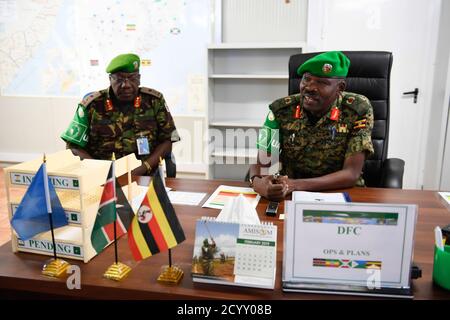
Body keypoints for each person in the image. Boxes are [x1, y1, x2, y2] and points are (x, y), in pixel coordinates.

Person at [249, 51, 374, 201]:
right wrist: (258, 183)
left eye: (322, 82)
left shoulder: (357, 109)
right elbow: (263, 160)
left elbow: (351, 174)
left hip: (341, 193)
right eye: (306, 79)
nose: (309, 87)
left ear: (340, 87)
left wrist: (295, 185)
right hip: (291, 196)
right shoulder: (281, 110)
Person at [61, 53, 180, 175]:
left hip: (144, 175)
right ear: (110, 79)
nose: (126, 85)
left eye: (132, 78)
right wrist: (100, 172)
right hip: (102, 178)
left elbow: (167, 140)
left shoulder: (154, 101)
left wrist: (144, 168)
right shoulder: (92, 105)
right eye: (119, 79)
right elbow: (74, 146)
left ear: (139, 78)